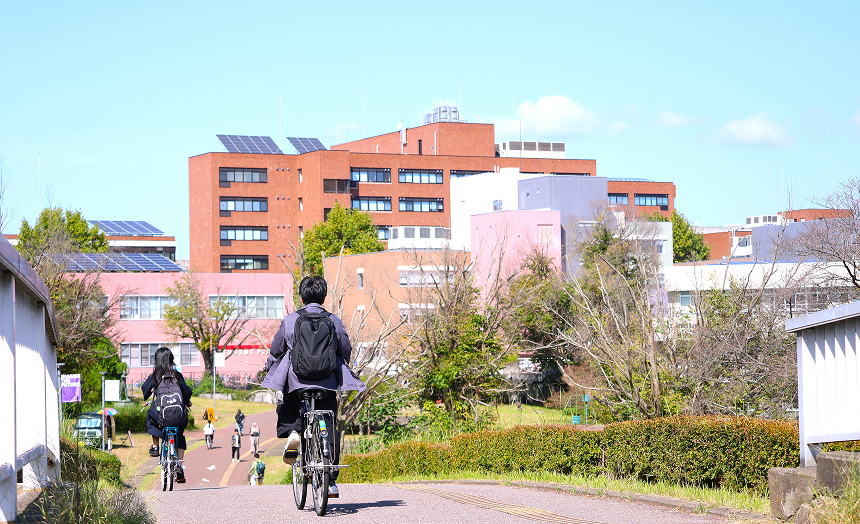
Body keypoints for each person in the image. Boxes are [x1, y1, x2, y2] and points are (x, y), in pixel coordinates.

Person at [262, 276, 366, 498]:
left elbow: (276, 350)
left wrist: (268, 367)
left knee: (288, 402)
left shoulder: (290, 320)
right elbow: (345, 349)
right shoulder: (333, 320)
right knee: (328, 422)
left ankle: (293, 432)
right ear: (324, 297)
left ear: (301, 297)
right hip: (327, 383)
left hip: (297, 382)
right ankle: (330, 482)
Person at [142, 347, 193, 483]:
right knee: (180, 433)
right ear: (171, 360)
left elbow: (144, 391)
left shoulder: (155, 376)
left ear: (157, 361)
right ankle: (180, 466)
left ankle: (155, 447)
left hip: (160, 416)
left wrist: (152, 391)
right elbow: (187, 392)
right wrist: (187, 403)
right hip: (177, 417)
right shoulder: (177, 375)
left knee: (151, 419)